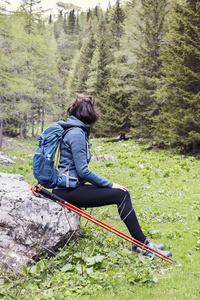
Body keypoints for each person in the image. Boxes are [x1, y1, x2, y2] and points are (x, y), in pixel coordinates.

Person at [53, 94, 172, 258]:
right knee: (121, 194)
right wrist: (109, 184)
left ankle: (141, 243)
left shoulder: (74, 130)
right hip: (67, 191)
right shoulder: (76, 134)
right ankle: (143, 245)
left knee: (122, 194)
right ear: (88, 114)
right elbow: (83, 171)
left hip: (68, 188)